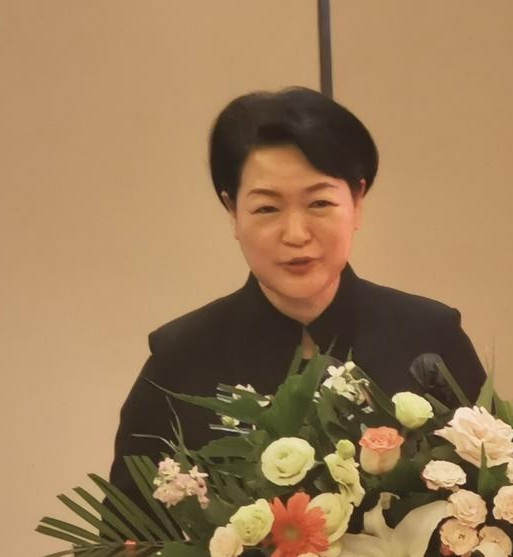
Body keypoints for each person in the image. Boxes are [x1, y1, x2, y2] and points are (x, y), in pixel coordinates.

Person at [107, 86, 486, 514]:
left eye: (319, 203)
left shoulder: (430, 338)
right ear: (232, 211)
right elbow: (126, 535)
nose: (296, 234)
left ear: (357, 202)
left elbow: (495, 502)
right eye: (267, 209)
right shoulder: (179, 360)